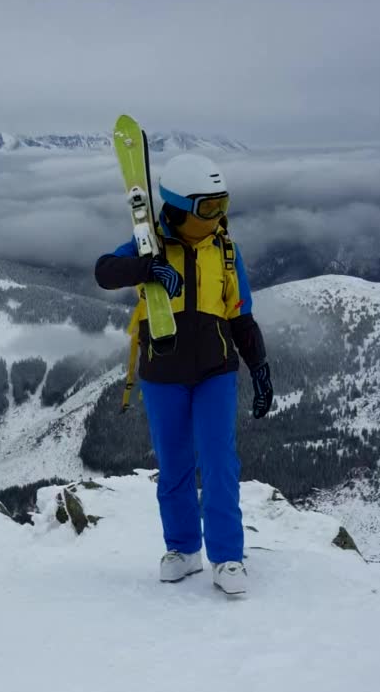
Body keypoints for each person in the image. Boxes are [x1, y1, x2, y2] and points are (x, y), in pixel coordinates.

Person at [95, 152, 273, 595]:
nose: (217, 216)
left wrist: (261, 368)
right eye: (207, 207)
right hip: (162, 374)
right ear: (177, 206)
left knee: (217, 464)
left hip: (215, 371)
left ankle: (228, 558)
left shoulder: (226, 252)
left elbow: (242, 317)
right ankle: (183, 550)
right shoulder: (148, 244)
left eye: (223, 205)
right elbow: (104, 271)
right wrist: (145, 267)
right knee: (174, 466)